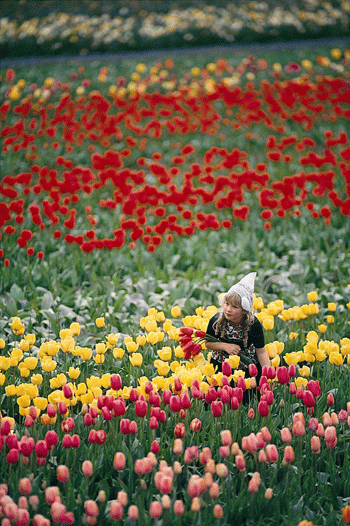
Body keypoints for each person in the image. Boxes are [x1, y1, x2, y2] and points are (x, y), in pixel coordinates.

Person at [205, 272, 270, 403]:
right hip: (220, 367)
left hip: (247, 370)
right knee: (220, 401)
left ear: (244, 309)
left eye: (234, 306)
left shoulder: (254, 324)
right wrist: (225, 346)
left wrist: (268, 377)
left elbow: (261, 352)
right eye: (227, 304)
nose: (228, 309)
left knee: (246, 403)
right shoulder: (216, 321)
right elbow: (207, 343)